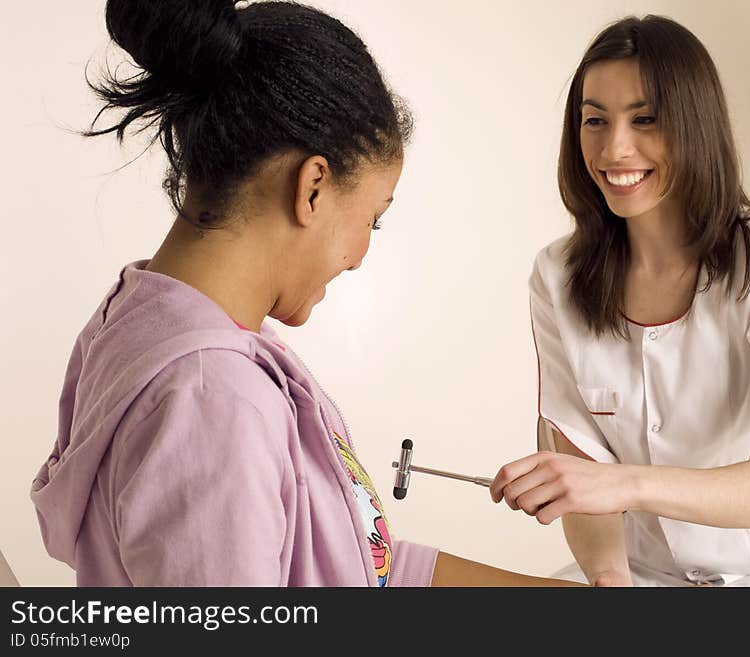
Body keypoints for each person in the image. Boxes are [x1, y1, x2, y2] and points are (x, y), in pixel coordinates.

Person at [30, 0, 583, 588]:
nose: (360, 256)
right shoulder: (212, 400)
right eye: (372, 219)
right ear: (313, 187)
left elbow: (360, 567)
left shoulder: (141, 318)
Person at [490, 15, 750, 587]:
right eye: (595, 120)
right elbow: (583, 468)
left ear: (694, 124)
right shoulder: (557, 276)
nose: (615, 148)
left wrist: (629, 483)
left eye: (646, 119)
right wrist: (610, 579)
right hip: (641, 574)